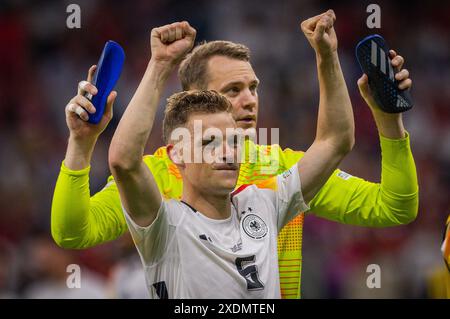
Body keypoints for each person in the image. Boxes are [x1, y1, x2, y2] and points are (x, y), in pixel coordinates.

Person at [52, 10, 418, 298]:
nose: (249, 100)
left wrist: (387, 119)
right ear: (197, 99)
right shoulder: (156, 173)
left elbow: (394, 206)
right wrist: (81, 145)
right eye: (233, 89)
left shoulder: (278, 171)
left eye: (253, 87)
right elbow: (72, 233)